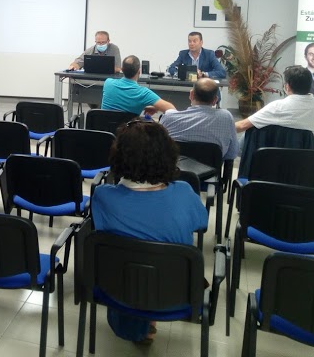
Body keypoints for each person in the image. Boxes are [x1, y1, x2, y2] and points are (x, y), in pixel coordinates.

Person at [91, 121, 208, 345]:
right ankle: (148, 319)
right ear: (169, 156)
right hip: (176, 292)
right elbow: (201, 223)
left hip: (117, 286)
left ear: (118, 157)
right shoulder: (184, 193)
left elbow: (101, 226)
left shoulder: (103, 196)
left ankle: (138, 324)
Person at [235, 65, 314, 141]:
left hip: (272, 157)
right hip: (306, 158)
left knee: (250, 132)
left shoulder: (277, 107)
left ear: (287, 87)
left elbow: (241, 126)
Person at [159, 78, 238, 161]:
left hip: (173, 168)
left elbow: (158, 150)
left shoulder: (168, 117)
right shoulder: (226, 117)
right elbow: (232, 154)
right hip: (210, 169)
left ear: (191, 94)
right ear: (215, 100)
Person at [102, 56, 176, 115]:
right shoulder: (143, 93)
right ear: (139, 72)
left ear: (122, 69)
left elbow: (120, 104)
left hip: (105, 129)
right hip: (128, 129)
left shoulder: (108, 83)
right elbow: (172, 110)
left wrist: (143, 107)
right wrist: (157, 108)